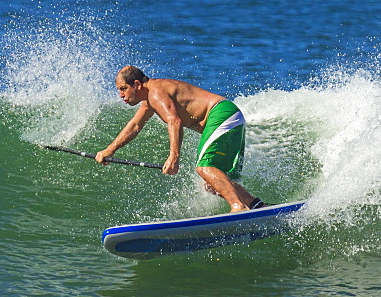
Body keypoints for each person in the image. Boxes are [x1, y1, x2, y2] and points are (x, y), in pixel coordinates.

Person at [96, 65, 265, 213]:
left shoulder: (155, 92)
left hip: (222, 114)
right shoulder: (149, 98)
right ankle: (254, 205)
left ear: (137, 85)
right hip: (230, 115)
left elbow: (174, 121)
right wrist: (110, 149)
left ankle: (238, 207)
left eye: (123, 88)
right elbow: (134, 126)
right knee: (211, 183)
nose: (120, 95)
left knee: (204, 168)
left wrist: (174, 157)